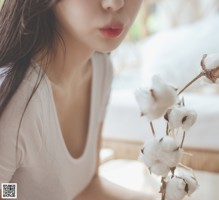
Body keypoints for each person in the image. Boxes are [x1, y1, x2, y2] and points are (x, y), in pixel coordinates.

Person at [0, 0, 153, 199]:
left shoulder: (99, 68)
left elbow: (86, 187)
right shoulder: (16, 99)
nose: (114, 4)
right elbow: (7, 191)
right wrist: (12, 194)